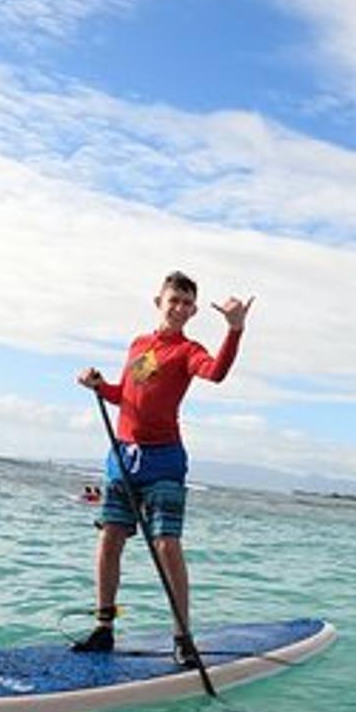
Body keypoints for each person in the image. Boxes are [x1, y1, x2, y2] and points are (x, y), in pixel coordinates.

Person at [72, 271, 253, 659]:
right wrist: (98, 385)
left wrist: (235, 329)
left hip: (164, 459)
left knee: (167, 545)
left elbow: (216, 373)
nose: (180, 308)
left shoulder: (188, 351)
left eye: (188, 303)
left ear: (194, 311)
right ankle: (104, 628)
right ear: (159, 302)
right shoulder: (139, 344)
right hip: (123, 458)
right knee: (109, 539)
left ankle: (183, 637)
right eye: (174, 300)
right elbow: (124, 396)